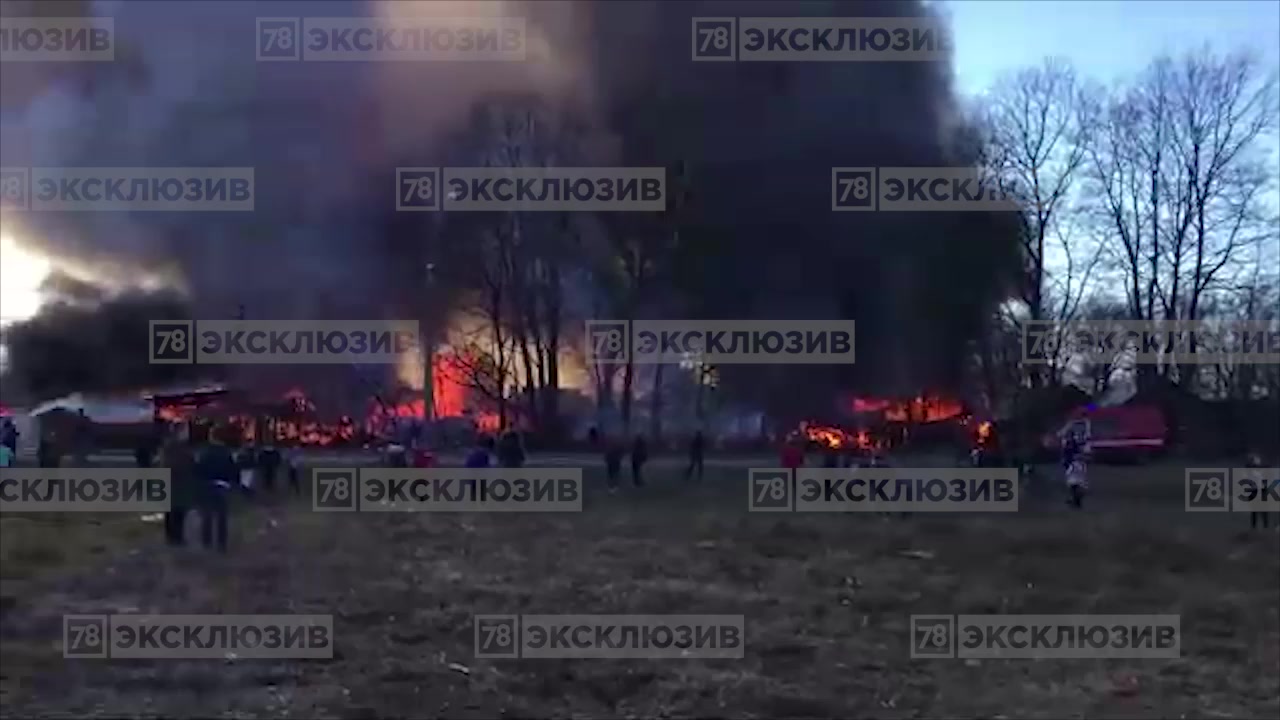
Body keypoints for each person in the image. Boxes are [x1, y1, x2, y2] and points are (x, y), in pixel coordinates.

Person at [194, 424, 237, 553]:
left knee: (207, 515)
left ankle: (206, 542)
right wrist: (231, 483)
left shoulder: (204, 452)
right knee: (221, 516)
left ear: (211, 437)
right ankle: (221, 544)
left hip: (207, 485)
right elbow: (232, 470)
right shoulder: (226, 452)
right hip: (222, 485)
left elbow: (199, 469)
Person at [161, 426, 195, 546]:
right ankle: (175, 536)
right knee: (176, 511)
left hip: (173, 483)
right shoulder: (177, 448)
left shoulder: (170, 447)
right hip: (178, 482)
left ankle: (173, 536)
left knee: (173, 511)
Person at [1061, 422, 1090, 509]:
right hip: (1073, 464)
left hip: (1074, 464)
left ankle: (1076, 501)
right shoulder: (1071, 443)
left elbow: (1076, 454)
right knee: (1073, 484)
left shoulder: (1072, 444)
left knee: (1074, 483)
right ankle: (1075, 501)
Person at [1246, 450, 1270, 531]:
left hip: (1260, 490)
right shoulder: (1250, 469)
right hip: (1254, 490)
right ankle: (1255, 527)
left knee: (1261, 510)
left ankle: (1264, 526)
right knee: (1255, 510)